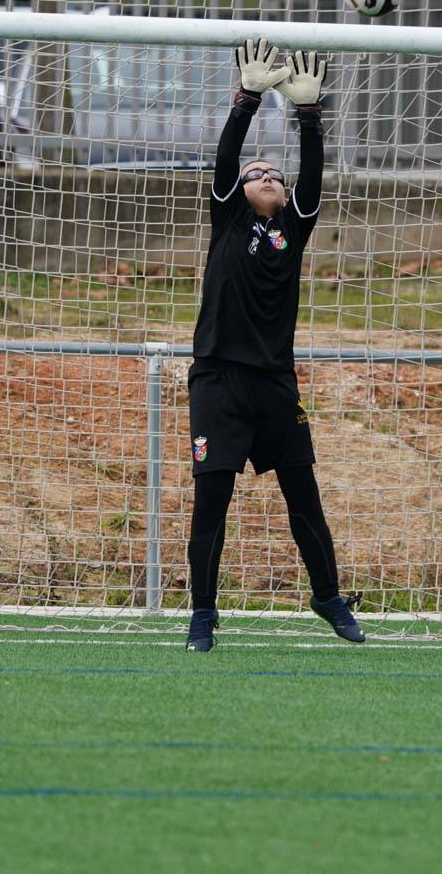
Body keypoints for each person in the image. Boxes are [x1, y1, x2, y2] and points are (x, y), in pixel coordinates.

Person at [184, 39, 363, 652]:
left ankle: (327, 597)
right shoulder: (228, 217)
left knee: (303, 496)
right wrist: (248, 99)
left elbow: (312, 175)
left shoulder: (295, 224)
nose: (263, 176)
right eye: (253, 173)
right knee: (212, 500)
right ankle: (203, 615)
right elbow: (228, 158)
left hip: (274, 383)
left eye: (273, 174)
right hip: (216, 379)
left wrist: (309, 117)